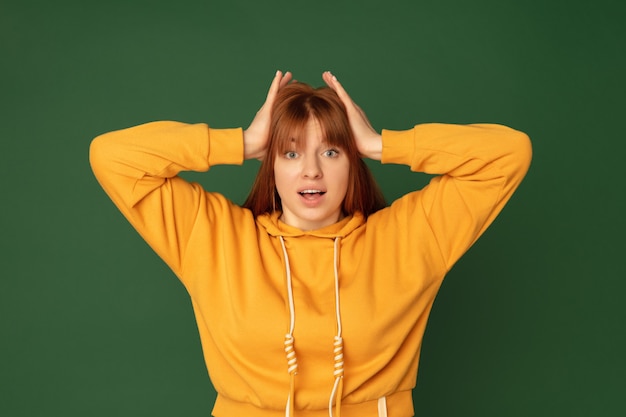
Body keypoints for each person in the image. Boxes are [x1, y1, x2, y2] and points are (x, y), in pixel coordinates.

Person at [89, 70, 532, 417]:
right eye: (291, 152)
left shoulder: (410, 236)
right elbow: (112, 157)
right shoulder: (213, 236)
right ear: (272, 165)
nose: (311, 172)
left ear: (351, 163)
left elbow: (509, 153)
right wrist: (242, 142)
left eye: (332, 152)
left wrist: (379, 144)